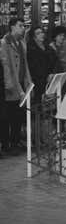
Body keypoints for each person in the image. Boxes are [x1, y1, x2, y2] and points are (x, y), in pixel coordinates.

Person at [0, 18, 32, 153]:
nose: (23, 28)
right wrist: (11, 85)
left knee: (19, 115)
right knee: (8, 116)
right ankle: (7, 145)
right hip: (11, 84)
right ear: (12, 27)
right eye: (20, 26)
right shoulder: (4, 42)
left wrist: (29, 82)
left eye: (23, 25)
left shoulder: (22, 42)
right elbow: (6, 66)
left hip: (21, 82)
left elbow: (25, 64)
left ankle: (16, 141)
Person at [26, 25, 56, 105]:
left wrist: (51, 73)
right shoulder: (30, 48)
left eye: (42, 32)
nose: (41, 34)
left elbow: (54, 61)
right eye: (38, 33)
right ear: (33, 36)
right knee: (39, 103)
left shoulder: (48, 47)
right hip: (37, 81)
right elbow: (33, 66)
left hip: (50, 79)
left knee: (50, 103)